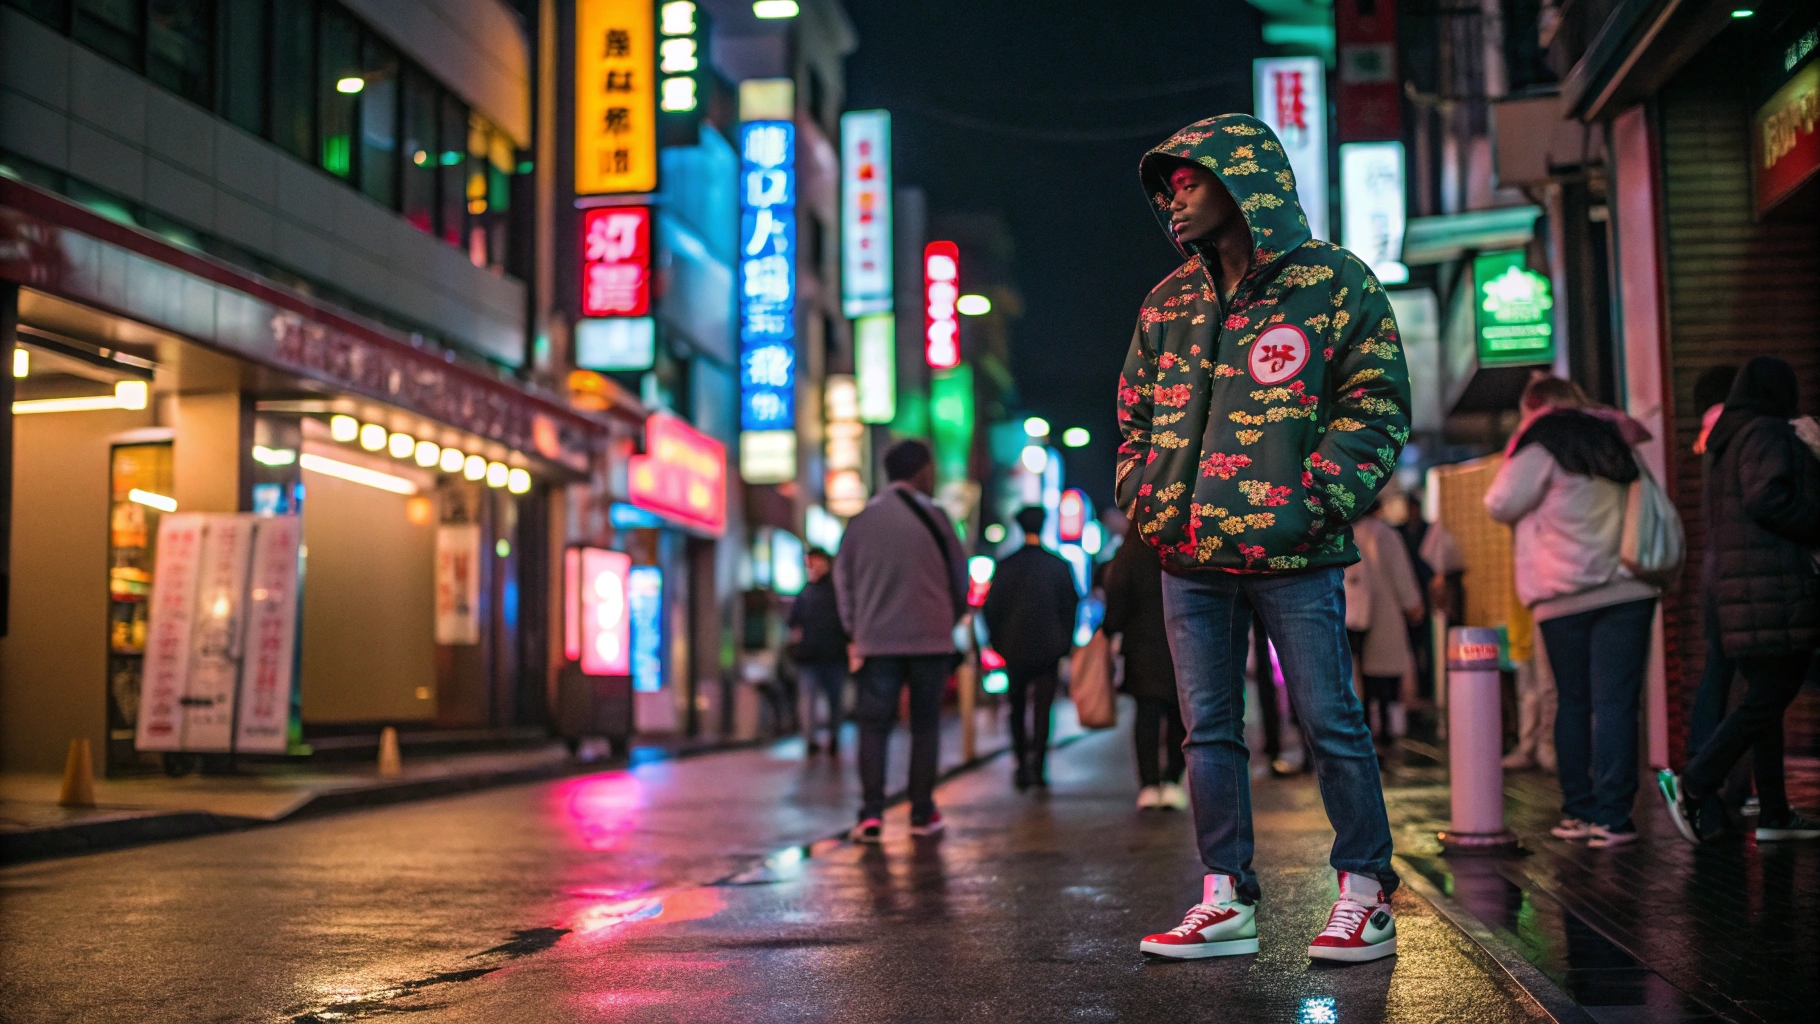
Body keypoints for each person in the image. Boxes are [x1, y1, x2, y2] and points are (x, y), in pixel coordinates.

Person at [1117, 114, 1411, 963]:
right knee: (1206, 728)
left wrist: (1313, 498)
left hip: (1296, 551)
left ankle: (1365, 892)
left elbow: (1377, 403)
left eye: (1191, 180)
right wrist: (1148, 503)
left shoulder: (1335, 283)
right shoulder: (1168, 301)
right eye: (1168, 186)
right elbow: (1133, 415)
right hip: (1187, 554)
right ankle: (1225, 895)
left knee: (1329, 717)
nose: (1174, 199)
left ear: (1244, 181)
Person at [1485, 374, 1658, 850]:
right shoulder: (1618, 441)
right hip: (1628, 588)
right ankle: (1615, 818)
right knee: (1618, 704)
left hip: (1563, 595)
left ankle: (1579, 811)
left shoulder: (1541, 447)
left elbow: (1499, 503)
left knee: (1574, 702)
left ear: (1535, 407)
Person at [1660, 357, 1820, 843]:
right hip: (1772, 589)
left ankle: (1774, 812)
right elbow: (1768, 498)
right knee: (1769, 697)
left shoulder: (1728, 439)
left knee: (1763, 701)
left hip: (1742, 592)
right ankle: (1696, 783)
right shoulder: (1767, 432)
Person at [835, 439, 968, 843]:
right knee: (925, 726)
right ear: (922, 471)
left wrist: (856, 629)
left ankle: (871, 814)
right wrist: (950, 617)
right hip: (930, 640)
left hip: (876, 642)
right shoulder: (938, 518)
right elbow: (960, 579)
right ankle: (921, 812)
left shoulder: (860, 522)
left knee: (873, 727)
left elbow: (844, 584)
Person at [982, 506, 1080, 790]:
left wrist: (998, 642)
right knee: (1043, 707)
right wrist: (1065, 642)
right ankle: (1039, 765)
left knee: (1016, 706)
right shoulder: (1058, 565)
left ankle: (1020, 762)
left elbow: (992, 608)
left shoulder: (1006, 565)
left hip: (1013, 647)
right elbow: (1071, 606)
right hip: (1050, 647)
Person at [1101, 519, 1187, 810]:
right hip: (1182, 640)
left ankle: (1149, 784)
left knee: (1147, 715)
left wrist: (1111, 629)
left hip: (1142, 645)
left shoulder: (1133, 546)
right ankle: (1173, 780)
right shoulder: (1182, 533)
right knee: (1180, 715)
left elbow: (1116, 593)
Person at [1346, 501, 1424, 754]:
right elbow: (1401, 574)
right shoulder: (1385, 533)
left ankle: (1368, 726)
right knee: (1386, 675)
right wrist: (1412, 604)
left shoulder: (1351, 533)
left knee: (1364, 675)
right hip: (1386, 611)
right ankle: (1387, 731)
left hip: (1356, 615)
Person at [788, 547, 848, 756]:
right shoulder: (805, 591)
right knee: (808, 700)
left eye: (815, 561)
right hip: (809, 657)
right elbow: (793, 622)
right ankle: (810, 739)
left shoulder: (838, 590)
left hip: (834, 655)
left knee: (835, 700)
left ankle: (834, 736)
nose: (812, 566)